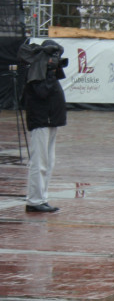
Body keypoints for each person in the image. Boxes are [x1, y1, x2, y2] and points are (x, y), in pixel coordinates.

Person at [23, 40, 68, 213]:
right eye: (54, 57)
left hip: (50, 120)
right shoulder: (37, 72)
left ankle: (41, 197)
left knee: (48, 161)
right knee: (39, 161)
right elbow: (42, 92)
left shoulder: (45, 72)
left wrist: (53, 71)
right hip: (41, 120)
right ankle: (34, 199)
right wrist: (49, 73)